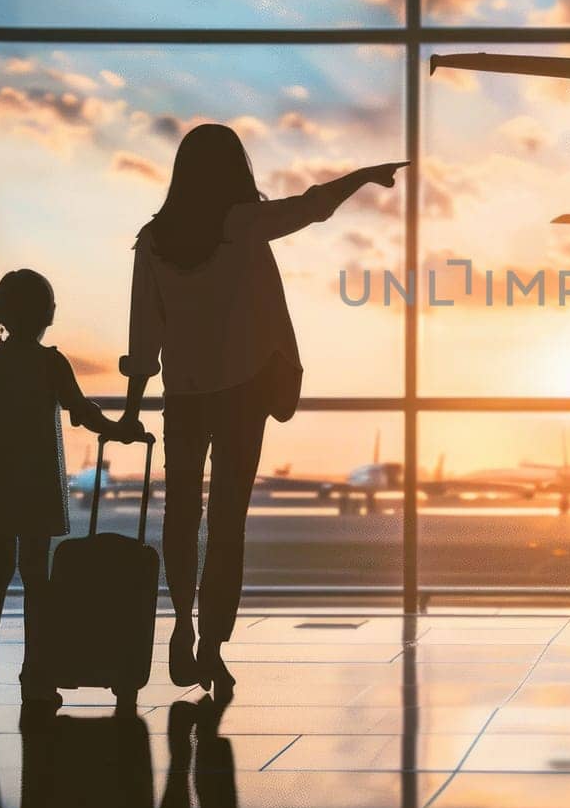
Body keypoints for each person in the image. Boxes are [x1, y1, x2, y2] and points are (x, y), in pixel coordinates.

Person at [114, 122, 405, 701]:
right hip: (242, 390)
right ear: (233, 169)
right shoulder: (242, 225)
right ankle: (214, 647)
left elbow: (143, 333)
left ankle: (181, 623)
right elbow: (311, 208)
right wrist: (365, 177)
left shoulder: (153, 240)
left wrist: (129, 412)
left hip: (185, 393)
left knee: (180, 516)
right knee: (227, 524)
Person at [0, 269, 125, 706]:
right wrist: (119, 428)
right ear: (48, 315)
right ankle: (35, 670)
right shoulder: (52, 362)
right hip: (36, 476)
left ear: (3, 314)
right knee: (37, 576)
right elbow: (80, 409)